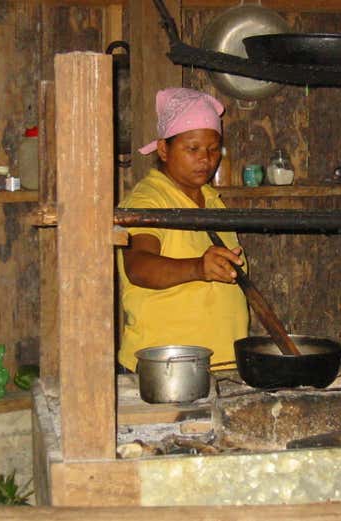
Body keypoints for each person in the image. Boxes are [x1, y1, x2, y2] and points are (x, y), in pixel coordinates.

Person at [116, 87, 249, 372]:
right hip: (165, 367)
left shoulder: (212, 202)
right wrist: (198, 268)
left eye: (213, 149)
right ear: (164, 149)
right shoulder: (147, 201)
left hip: (221, 364)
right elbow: (138, 267)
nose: (206, 159)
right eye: (192, 149)